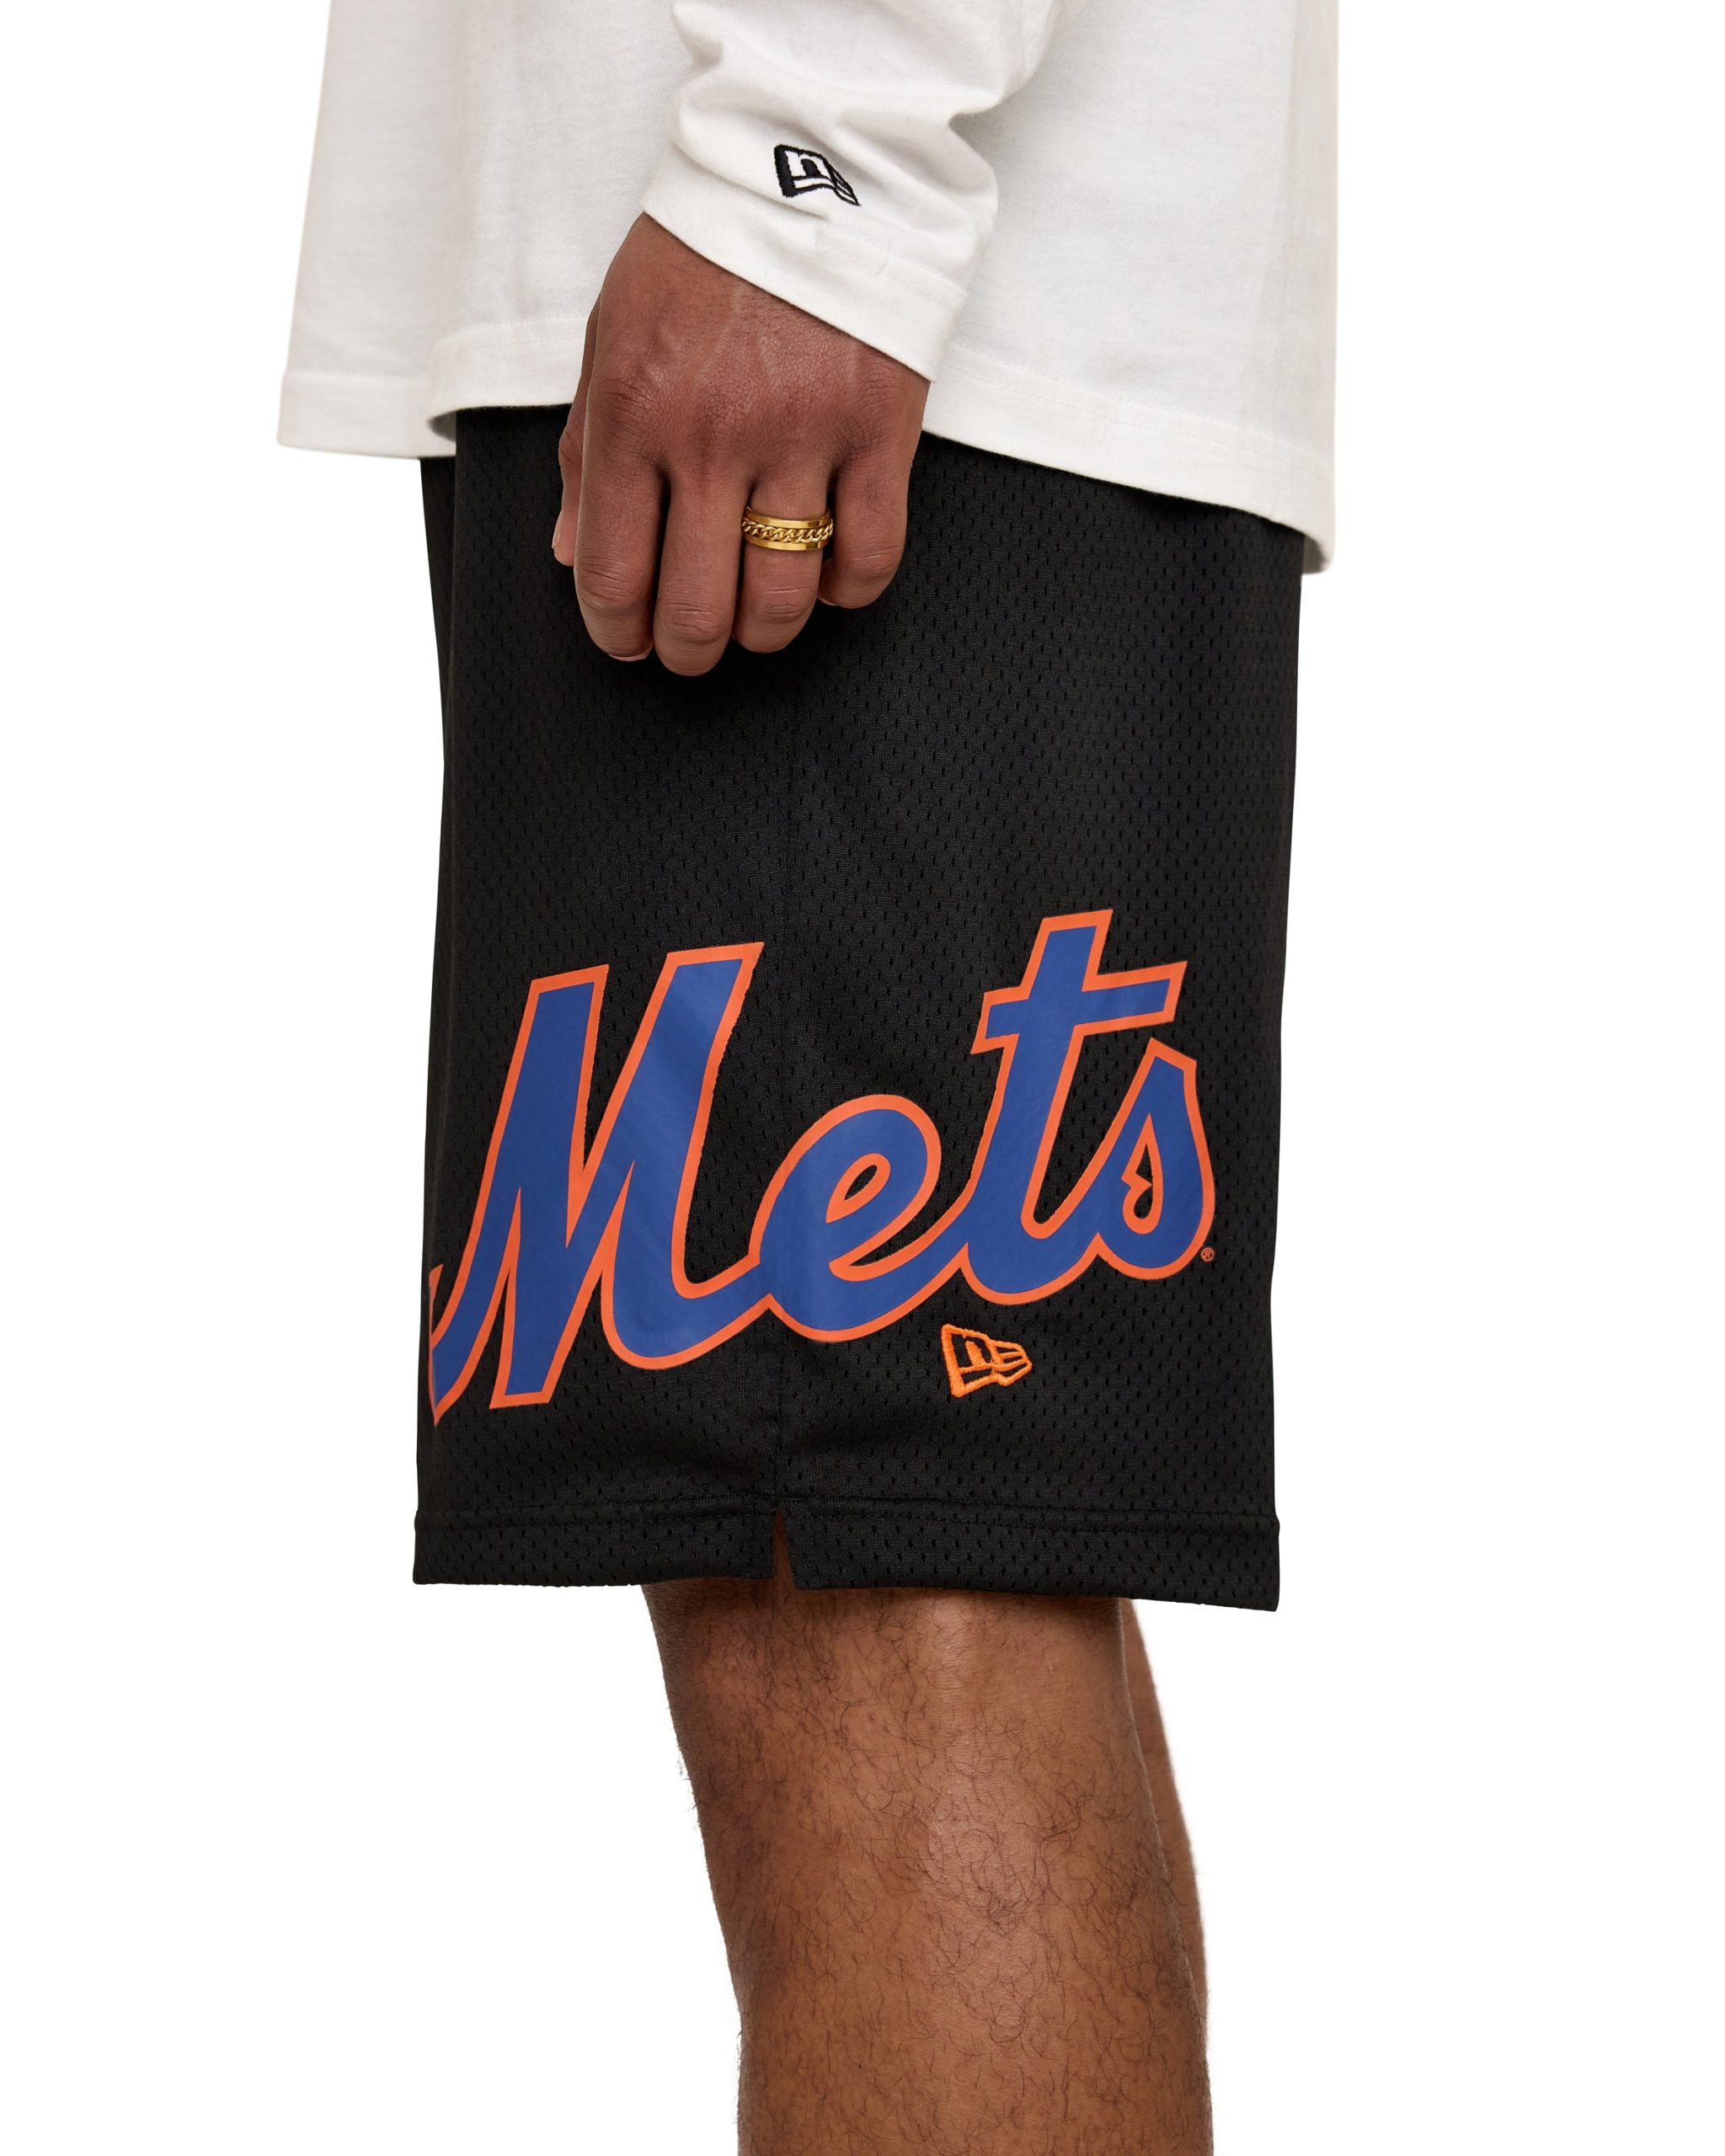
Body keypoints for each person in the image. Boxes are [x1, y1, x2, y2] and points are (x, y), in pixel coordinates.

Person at [281, 2, 1335, 2145]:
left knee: (862, 1581)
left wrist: (814, 156)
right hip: (820, 279)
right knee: (903, 1547)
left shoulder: (815, 182)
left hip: (840, 292)